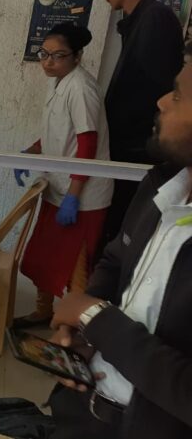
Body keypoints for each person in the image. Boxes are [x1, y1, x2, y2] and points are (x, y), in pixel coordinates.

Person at [44, 43, 192, 439]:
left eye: (177, 95)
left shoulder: (82, 89)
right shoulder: (162, 187)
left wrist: (94, 317)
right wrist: (82, 335)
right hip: (87, 406)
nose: (161, 101)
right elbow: (115, 262)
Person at [12, 24, 114, 328]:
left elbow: (88, 143)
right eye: (44, 54)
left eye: (58, 55)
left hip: (82, 196)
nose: (48, 61)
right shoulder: (58, 81)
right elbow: (57, 133)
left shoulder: (81, 88)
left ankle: (74, 327)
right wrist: (30, 151)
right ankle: (44, 310)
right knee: (46, 256)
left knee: (75, 265)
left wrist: (73, 195)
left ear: (78, 56)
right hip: (58, 185)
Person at [98, 0, 184, 255]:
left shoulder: (155, 18)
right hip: (126, 144)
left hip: (138, 149)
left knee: (124, 233)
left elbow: (153, 90)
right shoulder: (137, 20)